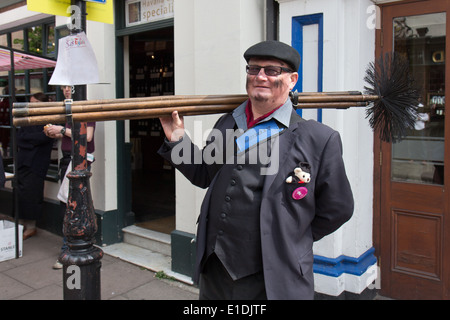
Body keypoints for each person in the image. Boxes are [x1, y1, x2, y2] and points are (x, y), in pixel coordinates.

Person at [158, 40, 354, 300]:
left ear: (292, 79)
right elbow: (205, 173)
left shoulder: (318, 139)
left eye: (272, 70)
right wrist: (178, 140)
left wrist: (291, 237)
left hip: (274, 279)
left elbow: (338, 209)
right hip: (215, 269)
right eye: (253, 69)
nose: (260, 76)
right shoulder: (228, 122)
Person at [44, 85, 95, 269]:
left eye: (70, 87)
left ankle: (68, 250)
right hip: (67, 159)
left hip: (78, 160)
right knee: (69, 204)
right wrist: (54, 131)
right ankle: (73, 247)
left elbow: (87, 137)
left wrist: (61, 130)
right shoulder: (66, 109)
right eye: (64, 87)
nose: (66, 90)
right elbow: (67, 135)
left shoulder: (84, 108)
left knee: (71, 205)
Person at [16, 92, 54, 240]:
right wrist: (32, 141)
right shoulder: (27, 119)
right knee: (20, 195)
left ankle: (31, 227)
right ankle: (20, 224)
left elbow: (45, 137)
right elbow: (19, 139)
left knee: (32, 195)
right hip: (23, 161)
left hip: (37, 164)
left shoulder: (48, 119)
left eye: (35, 102)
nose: (31, 105)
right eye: (30, 102)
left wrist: (29, 140)